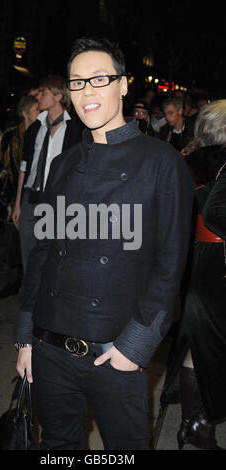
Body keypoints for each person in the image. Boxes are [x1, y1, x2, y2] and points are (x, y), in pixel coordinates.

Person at [13, 36, 194, 450]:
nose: (87, 91)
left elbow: (170, 266)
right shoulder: (63, 163)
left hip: (113, 353)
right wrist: (26, 336)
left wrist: (134, 347)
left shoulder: (161, 162)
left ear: (123, 85)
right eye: (77, 82)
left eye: (99, 79)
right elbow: (42, 251)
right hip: (49, 346)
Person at [160, 100, 226, 450]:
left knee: (198, 343)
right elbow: (217, 215)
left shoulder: (190, 159)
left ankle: (193, 423)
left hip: (196, 257)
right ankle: (197, 424)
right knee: (208, 344)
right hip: (216, 262)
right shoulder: (219, 162)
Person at [12, 74, 83, 272]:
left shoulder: (74, 131)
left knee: (51, 255)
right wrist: (18, 203)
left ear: (58, 97)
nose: (39, 97)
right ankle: (30, 299)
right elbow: (24, 166)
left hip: (56, 201)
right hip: (30, 197)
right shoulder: (35, 128)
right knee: (28, 255)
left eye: (44, 92)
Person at [0, 95, 40, 299]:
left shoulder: (42, 133)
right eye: (36, 110)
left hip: (31, 197)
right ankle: (12, 281)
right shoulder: (10, 136)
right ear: (25, 113)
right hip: (11, 197)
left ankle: (26, 283)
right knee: (11, 242)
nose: (40, 113)